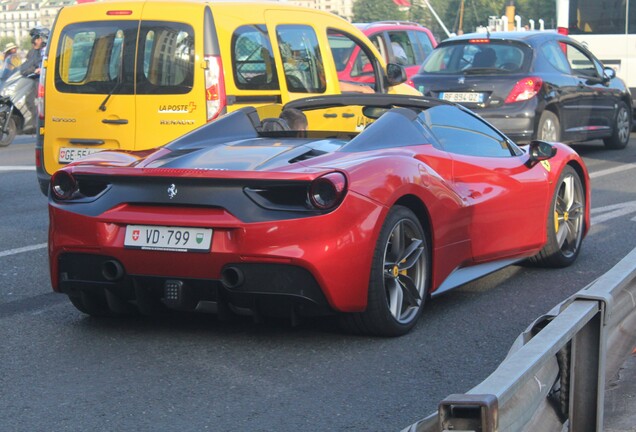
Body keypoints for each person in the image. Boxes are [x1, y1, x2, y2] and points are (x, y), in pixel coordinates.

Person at [20, 28, 47, 130]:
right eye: (35, 38)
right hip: (33, 79)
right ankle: (35, 122)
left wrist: (40, 69)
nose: (36, 40)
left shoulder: (44, 50)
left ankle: (38, 123)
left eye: (37, 38)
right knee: (29, 100)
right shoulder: (32, 52)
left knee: (37, 100)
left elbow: (44, 63)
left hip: (42, 80)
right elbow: (26, 65)